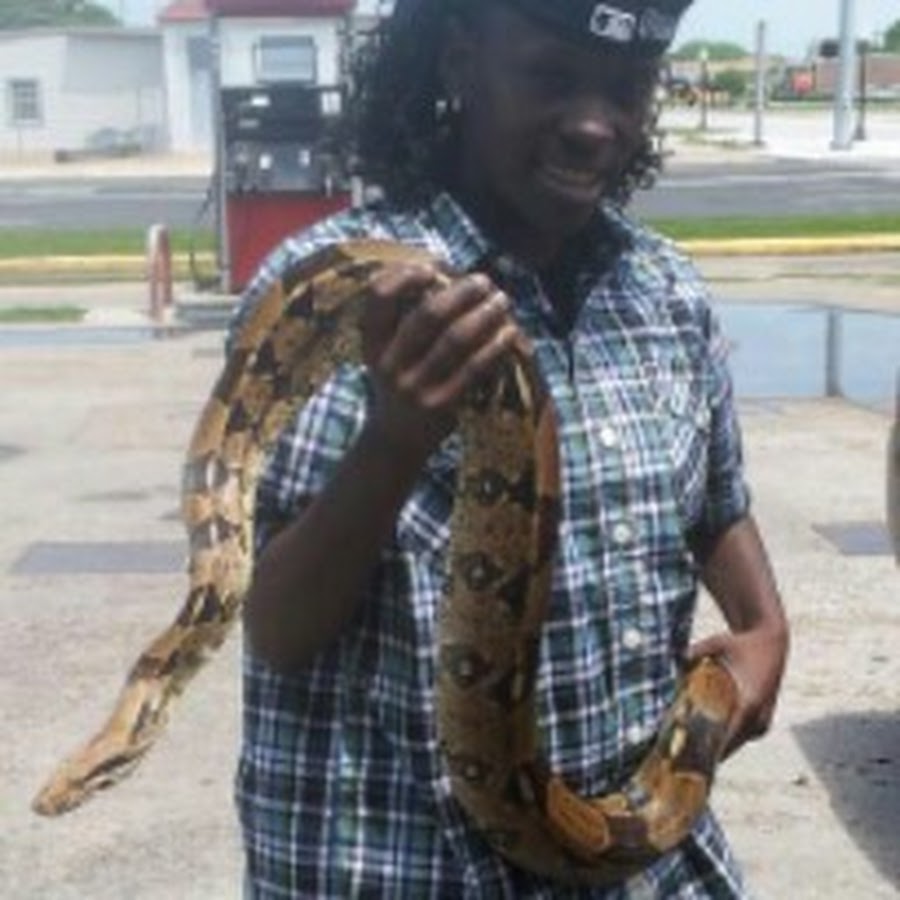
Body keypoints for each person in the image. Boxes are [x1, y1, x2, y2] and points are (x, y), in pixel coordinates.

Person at [232, 0, 790, 896]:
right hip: (409, 866)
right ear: (460, 65)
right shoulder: (350, 293)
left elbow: (716, 501)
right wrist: (396, 439)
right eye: (551, 77)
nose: (594, 123)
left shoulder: (663, 290)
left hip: (642, 864)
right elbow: (277, 628)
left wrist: (765, 626)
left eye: (627, 87)